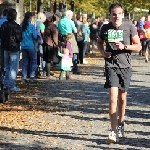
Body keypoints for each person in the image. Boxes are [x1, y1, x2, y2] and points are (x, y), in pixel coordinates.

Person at [97, 2, 141, 143]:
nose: (116, 16)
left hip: (125, 67)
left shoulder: (129, 27)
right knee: (112, 98)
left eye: (119, 14)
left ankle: (121, 123)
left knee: (122, 98)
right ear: (110, 15)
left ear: (123, 14)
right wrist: (103, 52)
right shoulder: (105, 27)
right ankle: (113, 131)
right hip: (111, 66)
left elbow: (138, 46)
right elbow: (99, 42)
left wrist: (125, 46)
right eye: (113, 14)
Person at [0, 8, 22, 91]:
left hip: (5, 47)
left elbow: (1, 35)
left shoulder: (4, 25)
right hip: (14, 48)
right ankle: (12, 85)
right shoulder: (16, 26)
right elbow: (19, 38)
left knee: (6, 67)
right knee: (13, 67)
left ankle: (6, 84)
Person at [58, 10, 81, 75]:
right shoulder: (70, 21)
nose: (72, 17)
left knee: (64, 52)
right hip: (70, 37)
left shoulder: (60, 21)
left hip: (63, 38)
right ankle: (75, 68)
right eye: (71, 16)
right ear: (68, 15)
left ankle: (63, 68)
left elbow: (59, 29)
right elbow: (75, 31)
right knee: (74, 51)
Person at [21, 12, 37, 83]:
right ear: (30, 18)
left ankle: (23, 77)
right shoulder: (31, 26)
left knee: (25, 61)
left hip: (23, 45)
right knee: (33, 61)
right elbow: (35, 36)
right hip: (31, 45)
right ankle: (32, 76)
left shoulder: (21, 26)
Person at [43, 12, 61, 78]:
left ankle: (47, 73)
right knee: (51, 59)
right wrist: (56, 45)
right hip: (51, 45)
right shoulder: (53, 27)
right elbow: (55, 37)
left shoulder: (47, 26)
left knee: (47, 60)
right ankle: (48, 74)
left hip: (46, 43)